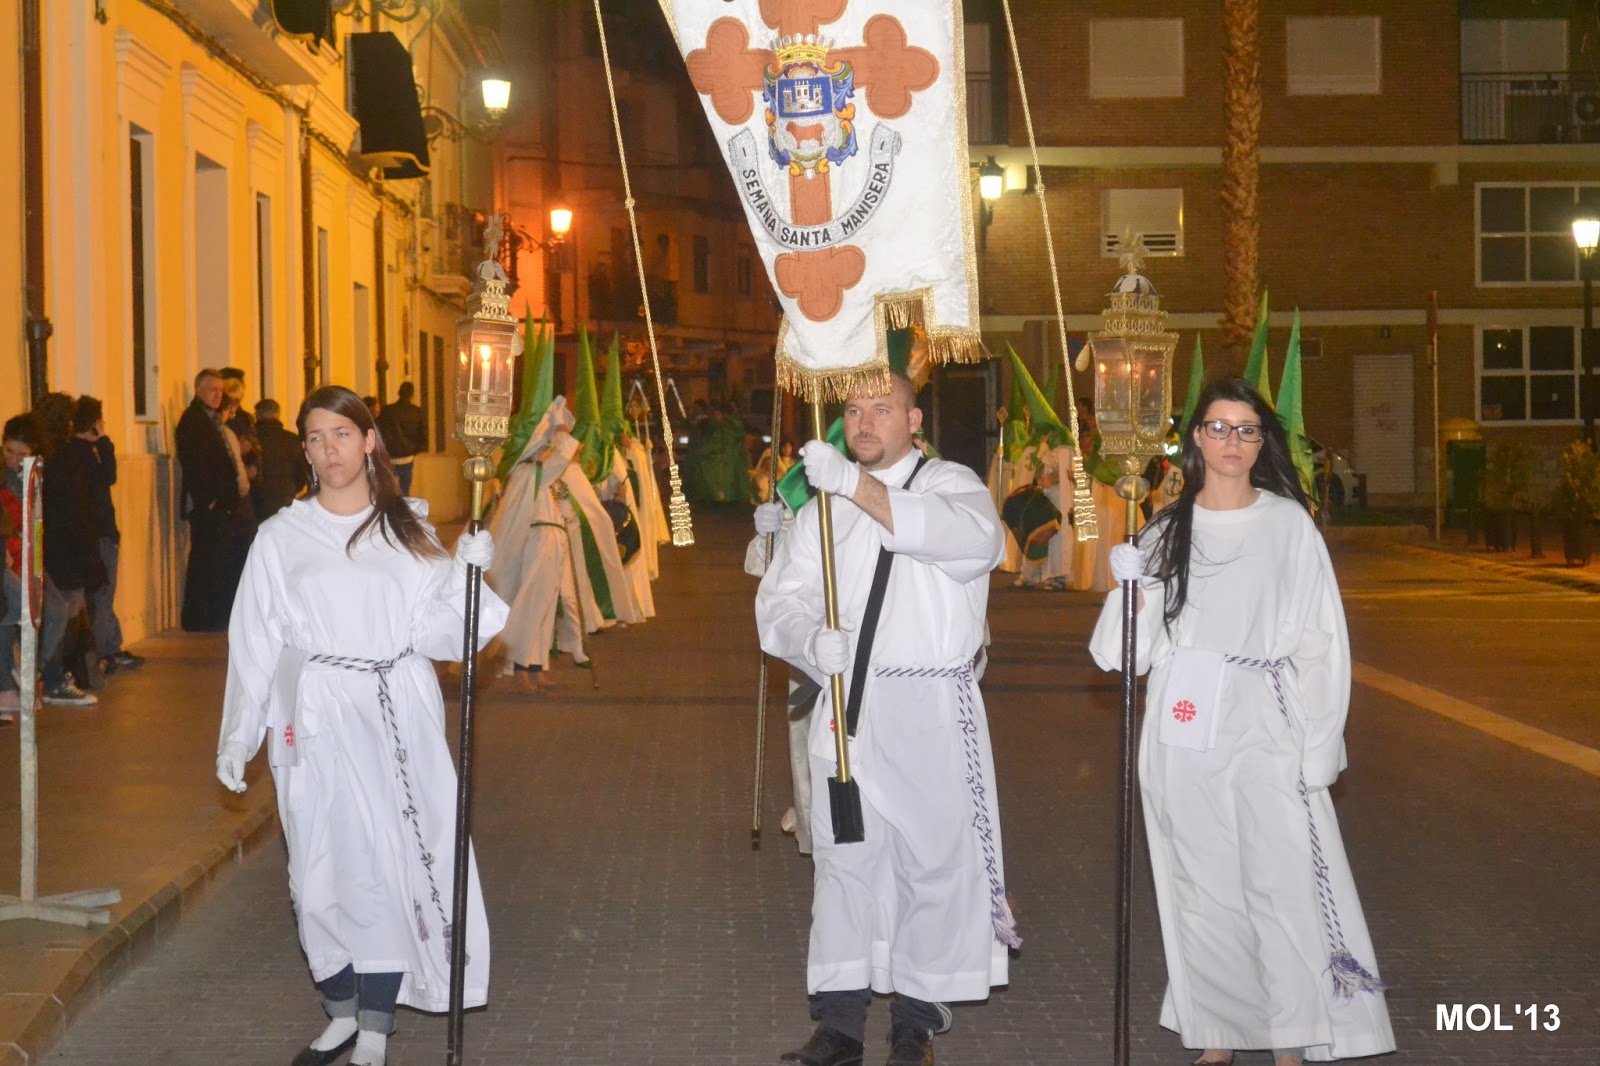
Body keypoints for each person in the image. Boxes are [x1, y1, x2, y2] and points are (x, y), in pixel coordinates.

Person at [1089, 378, 1393, 1066]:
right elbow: (1121, 655)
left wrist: (1320, 744)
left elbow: (1321, 641)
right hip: (1183, 715)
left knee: (1278, 879)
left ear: (1262, 443)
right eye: (1219, 427)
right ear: (1196, 438)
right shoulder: (1165, 530)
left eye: (1247, 429)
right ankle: (1219, 1033)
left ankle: (1291, 1036)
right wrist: (1130, 589)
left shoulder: (1288, 525)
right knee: (1201, 883)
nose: (1232, 441)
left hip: (1263, 713)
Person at [216, 386, 505, 1066]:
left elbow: (444, 633)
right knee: (316, 872)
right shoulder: (281, 538)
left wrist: (467, 577)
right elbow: (253, 640)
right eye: (315, 438)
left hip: (393, 708)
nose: (329, 451)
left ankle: (375, 1025)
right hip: (311, 711)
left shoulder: (408, 532)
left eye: (341, 435)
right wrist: (238, 735)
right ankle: (341, 1010)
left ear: (370, 441)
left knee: (386, 864)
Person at [756, 372, 1014, 1066]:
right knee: (844, 866)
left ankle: (913, 1029)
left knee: (928, 866)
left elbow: (975, 543)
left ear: (915, 419)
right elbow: (779, 603)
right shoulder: (822, 510)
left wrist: (854, 485)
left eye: (882, 408)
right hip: (846, 709)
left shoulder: (950, 484)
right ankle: (839, 1027)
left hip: (929, 710)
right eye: (853, 409)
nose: (864, 422)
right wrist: (810, 641)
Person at [486, 397, 591, 682]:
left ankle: (536, 668)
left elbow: (564, 502)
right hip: (539, 541)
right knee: (532, 604)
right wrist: (561, 431)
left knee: (545, 608)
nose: (548, 450)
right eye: (543, 445)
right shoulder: (526, 473)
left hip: (554, 541)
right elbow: (561, 458)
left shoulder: (543, 478)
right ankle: (520, 668)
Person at [36, 392, 103, 705]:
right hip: (65, 548)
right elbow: (78, 506)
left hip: (49, 544)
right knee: (64, 613)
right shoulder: (67, 456)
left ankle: (50, 675)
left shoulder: (45, 456)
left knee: (59, 613)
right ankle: (50, 677)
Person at [70, 397, 143, 674]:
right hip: (100, 533)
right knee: (103, 594)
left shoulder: (71, 453)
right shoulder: (89, 454)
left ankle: (109, 647)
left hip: (93, 533)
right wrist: (105, 441)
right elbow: (109, 476)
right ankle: (106, 651)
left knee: (99, 596)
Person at [177, 369, 243, 631]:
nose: (218, 395)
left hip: (219, 502)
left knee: (216, 559)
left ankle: (212, 615)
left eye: (220, 390)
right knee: (205, 559)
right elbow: (196, 463)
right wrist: (209, 499)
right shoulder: (193, 421)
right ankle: (200, 617)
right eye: (213, 390)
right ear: (199, 390)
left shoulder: (208, 419)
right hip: (208, 504)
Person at [1, 415, 37, 722]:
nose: (12, 459)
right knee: (17, 609)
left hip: (19, 555)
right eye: (8, 451)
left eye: (20, 454)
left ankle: (19, 677)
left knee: (24, 611)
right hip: (9, 556)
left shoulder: (32, 475)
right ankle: (11, 680)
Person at [252, 398, 311, 521]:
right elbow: (303, 471)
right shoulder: (292, 440)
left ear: (257, 415)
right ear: (277, 414)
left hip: (256, 499)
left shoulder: (251, 440)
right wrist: (292, 488)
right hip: (284, 496)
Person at [376, 382, 426, 495]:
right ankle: (402, 506)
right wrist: (415, 450)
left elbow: (379, 430)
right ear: (412, 395)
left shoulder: (387, 410)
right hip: (408, 456)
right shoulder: (417, 412)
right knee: (405, 492)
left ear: (399, 392)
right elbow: (423, 435)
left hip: (390, 456)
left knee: (388, 492)